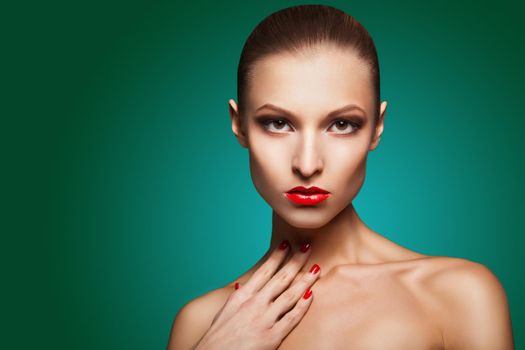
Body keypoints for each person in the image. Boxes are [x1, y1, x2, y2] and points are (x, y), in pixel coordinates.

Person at [167, 4, 514, 349]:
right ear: (239, 125)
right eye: (278, 123)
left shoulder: (456, 295)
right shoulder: (201, 323)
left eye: (342, 125)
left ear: (376, 128)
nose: (307, 164)